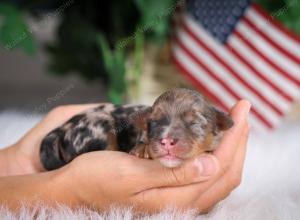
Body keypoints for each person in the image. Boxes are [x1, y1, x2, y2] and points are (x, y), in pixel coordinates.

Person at [0, 100, 250, 214]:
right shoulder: (140, 133)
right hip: (90, 129)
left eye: (192, 124)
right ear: (146, 123)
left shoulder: (215, 133)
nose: (167, 138)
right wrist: (66, 188)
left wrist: (19, 162)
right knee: (104, 131)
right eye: (156, 124)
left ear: (219, 125)